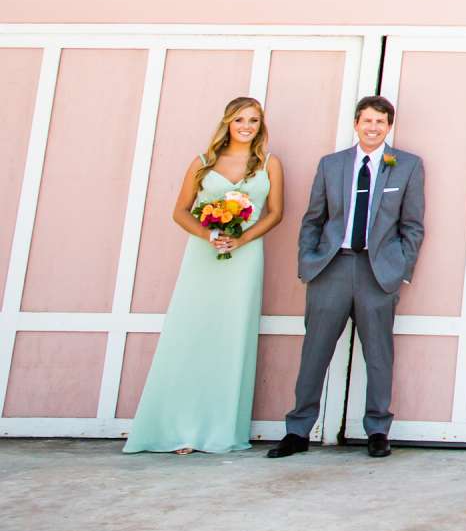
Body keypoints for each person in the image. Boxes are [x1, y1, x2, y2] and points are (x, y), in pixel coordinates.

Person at [124, 96, 285, 454]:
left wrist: (242, 239)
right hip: (203, 254)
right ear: (227, 122)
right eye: (240, 119)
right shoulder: (202, 163)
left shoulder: (270, 164)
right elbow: (180, 212)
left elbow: (275, 213)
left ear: (261, 126)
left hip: (245, 256)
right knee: (191, 332)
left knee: (231, 335)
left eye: (254, 120)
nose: (247, 126)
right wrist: (208, 234)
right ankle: (178, 428)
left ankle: (218, 430)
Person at [269, 95, 425, 458]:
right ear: (356, 124)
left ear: (389, 127)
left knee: (379, 354)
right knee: (315, 351)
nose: (373, 127)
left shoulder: (407, 166)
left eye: (380, 122)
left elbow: (413, 225)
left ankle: (377, 430)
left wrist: (400, 268)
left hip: (377, 271)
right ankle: (298, 430)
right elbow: (314, 218)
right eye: (367, 121)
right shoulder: (332, 164)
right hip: (332, 267)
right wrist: (308, 263)